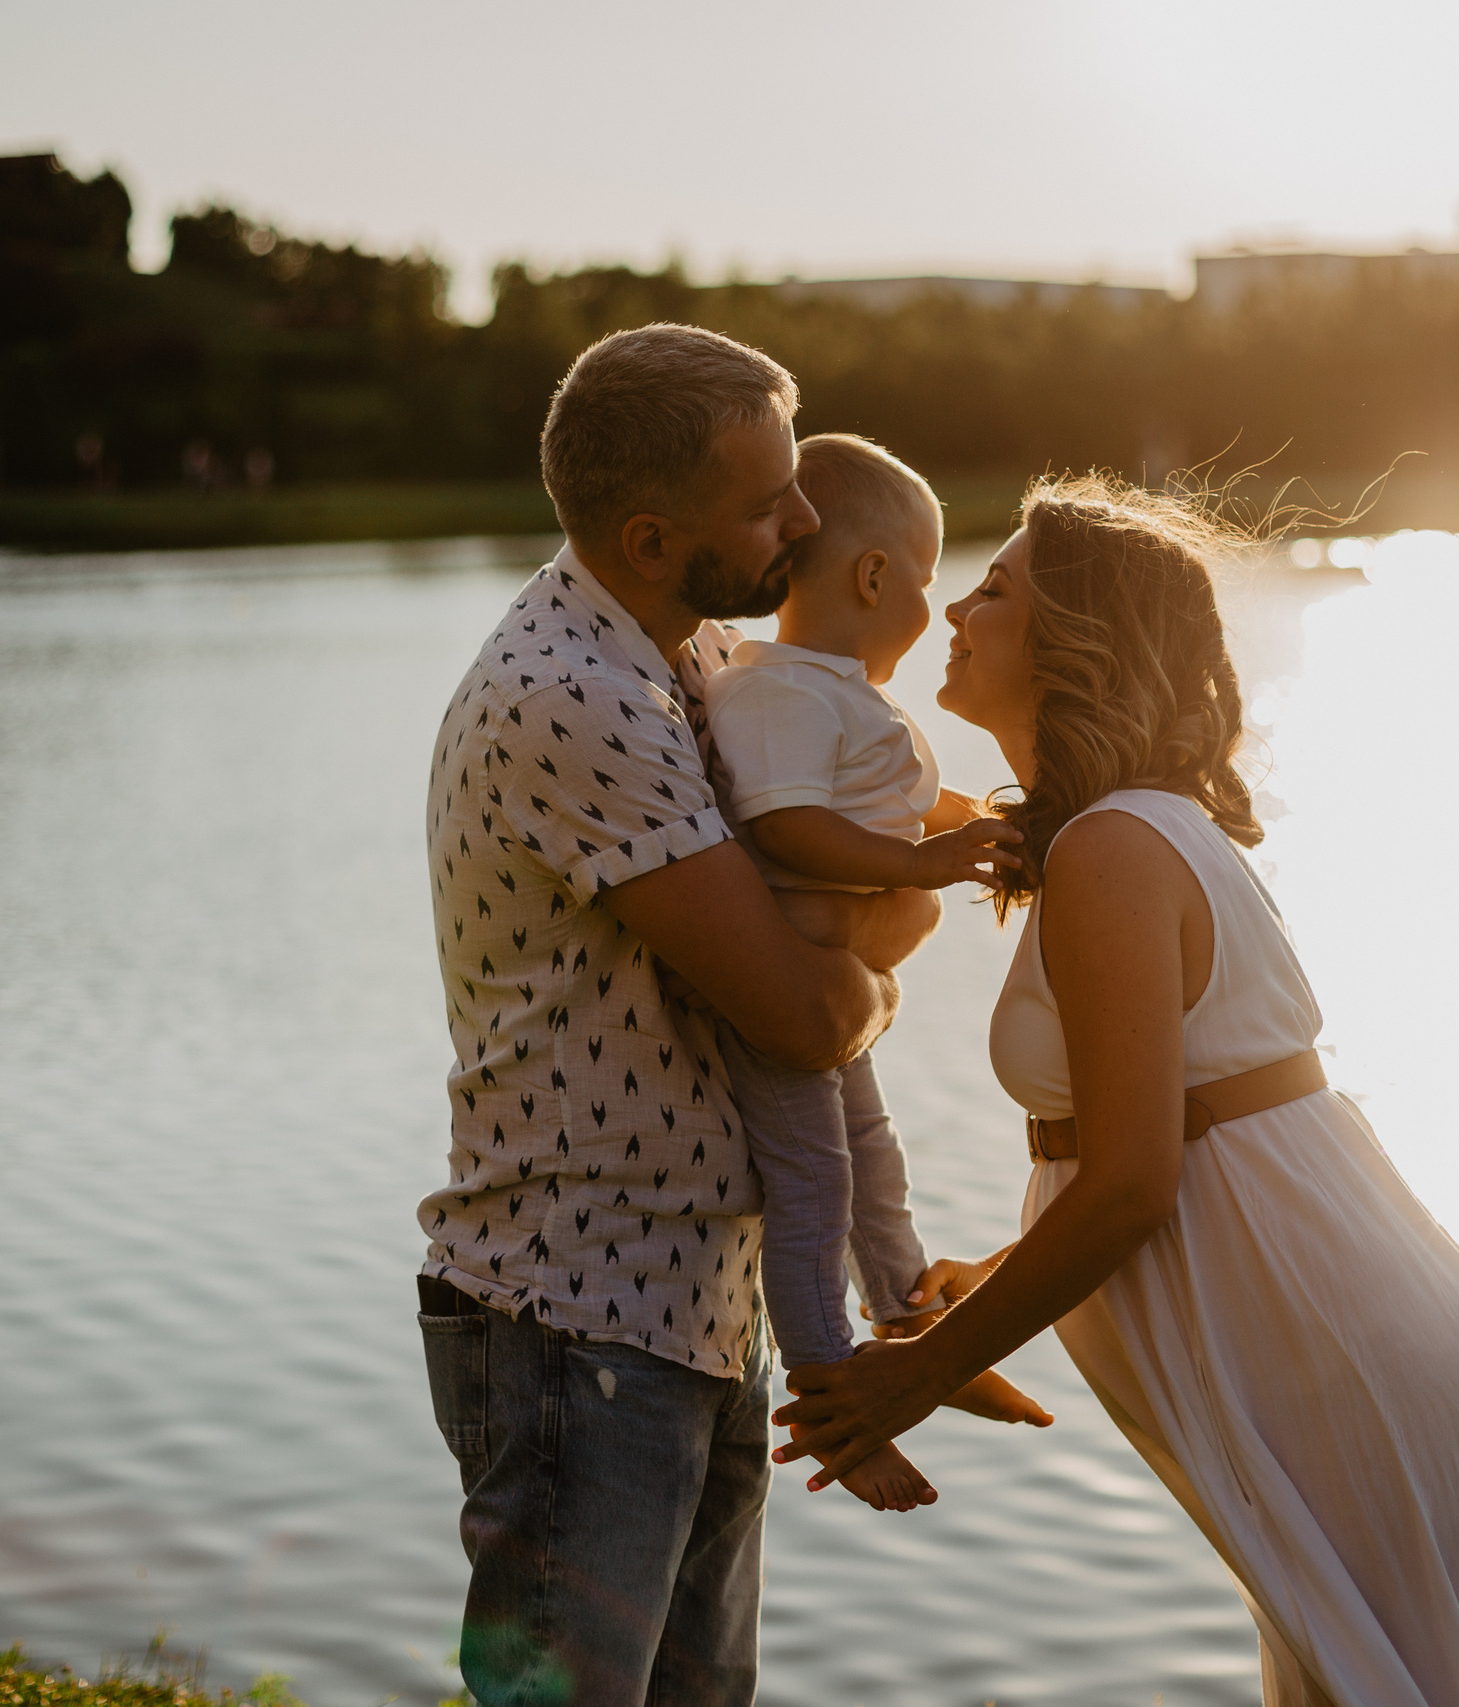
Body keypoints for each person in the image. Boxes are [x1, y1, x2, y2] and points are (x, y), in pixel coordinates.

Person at [771, 475, 1459, 1707]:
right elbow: (1148, 1160)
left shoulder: (1114, 846)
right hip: (1342, 1359)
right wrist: (995, 1285)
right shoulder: (1123, 832)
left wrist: (920, 1369)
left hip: (1347, 1377)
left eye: (996, 589)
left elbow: (1129, 1182)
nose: (956, 603)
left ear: (1074, 642)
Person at [414, 324, 1036, 1707]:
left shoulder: (691, 650)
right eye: (768, 503)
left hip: (689, 1300)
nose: (807, 520)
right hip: (578, 1317)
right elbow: (807, 1015)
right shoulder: (573, 696)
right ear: (649, 535)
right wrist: (901, 927)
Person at [701, 432, 1043, 1514]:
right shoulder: (776, 692)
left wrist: (988, 826)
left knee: (870, 1157)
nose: (935, 609)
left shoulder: (837, 694)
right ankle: (830, 1392)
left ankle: (907, 1322)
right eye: (932, 581)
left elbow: (893, 803)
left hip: (831, 1010)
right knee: (812, 1190)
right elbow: (791, 827)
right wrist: (918, 864)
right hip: (777, 1012)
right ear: (874, 576)